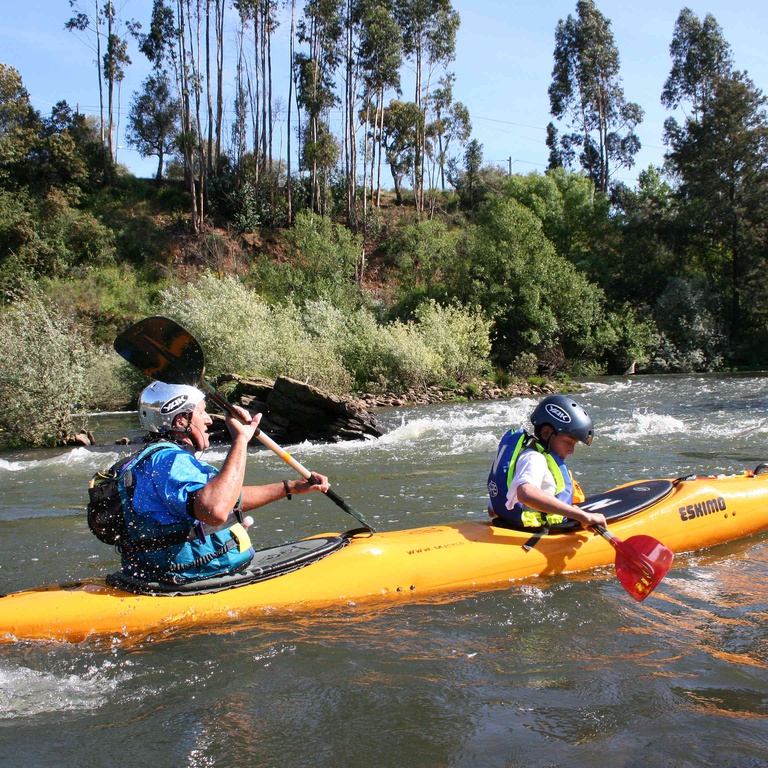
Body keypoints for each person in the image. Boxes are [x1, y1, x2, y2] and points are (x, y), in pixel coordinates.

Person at [121, 380, 330, 584]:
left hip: (168, 574)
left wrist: (291, 487)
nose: (209, 420)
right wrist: (241, 440)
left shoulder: (156, 460)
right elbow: (216, 509)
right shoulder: (170, 461)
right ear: (180, 421)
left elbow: (228, 497)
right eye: (202, 412)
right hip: (194, 578)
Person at [487, 394, 607, 532]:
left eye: (574, 444)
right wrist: (582, 516)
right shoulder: (535, 458)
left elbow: (493, 510)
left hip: (518, 528)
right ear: (546, 433)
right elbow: (525, 493)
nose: (571, 450)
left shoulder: (526, 455)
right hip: (535, 535)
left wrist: (561, 509)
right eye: (568, 442)